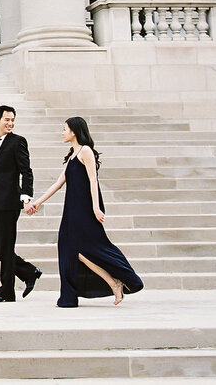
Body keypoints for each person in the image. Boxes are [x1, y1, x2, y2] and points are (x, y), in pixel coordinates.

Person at [25, 116, 144, 307]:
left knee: (90, 248)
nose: (62, 132)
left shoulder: (85, 151)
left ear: (73, 131)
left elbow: (93, 180)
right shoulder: (73, 154)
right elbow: (58, 183)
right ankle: (93, 289)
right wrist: (37, 203)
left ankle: (116, 282)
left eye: (64, 129)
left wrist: (96, 207)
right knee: (69, 249)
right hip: (72, 210)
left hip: (85, 209)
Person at [0, 104, 42, 302]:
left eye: (13, 119)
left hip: (9, 201)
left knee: (6, 245)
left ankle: (7, 290)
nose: (10, 123)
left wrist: (26, 197)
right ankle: (28, 272)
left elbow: (27, 171)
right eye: (7, 119)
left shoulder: (18, 142)